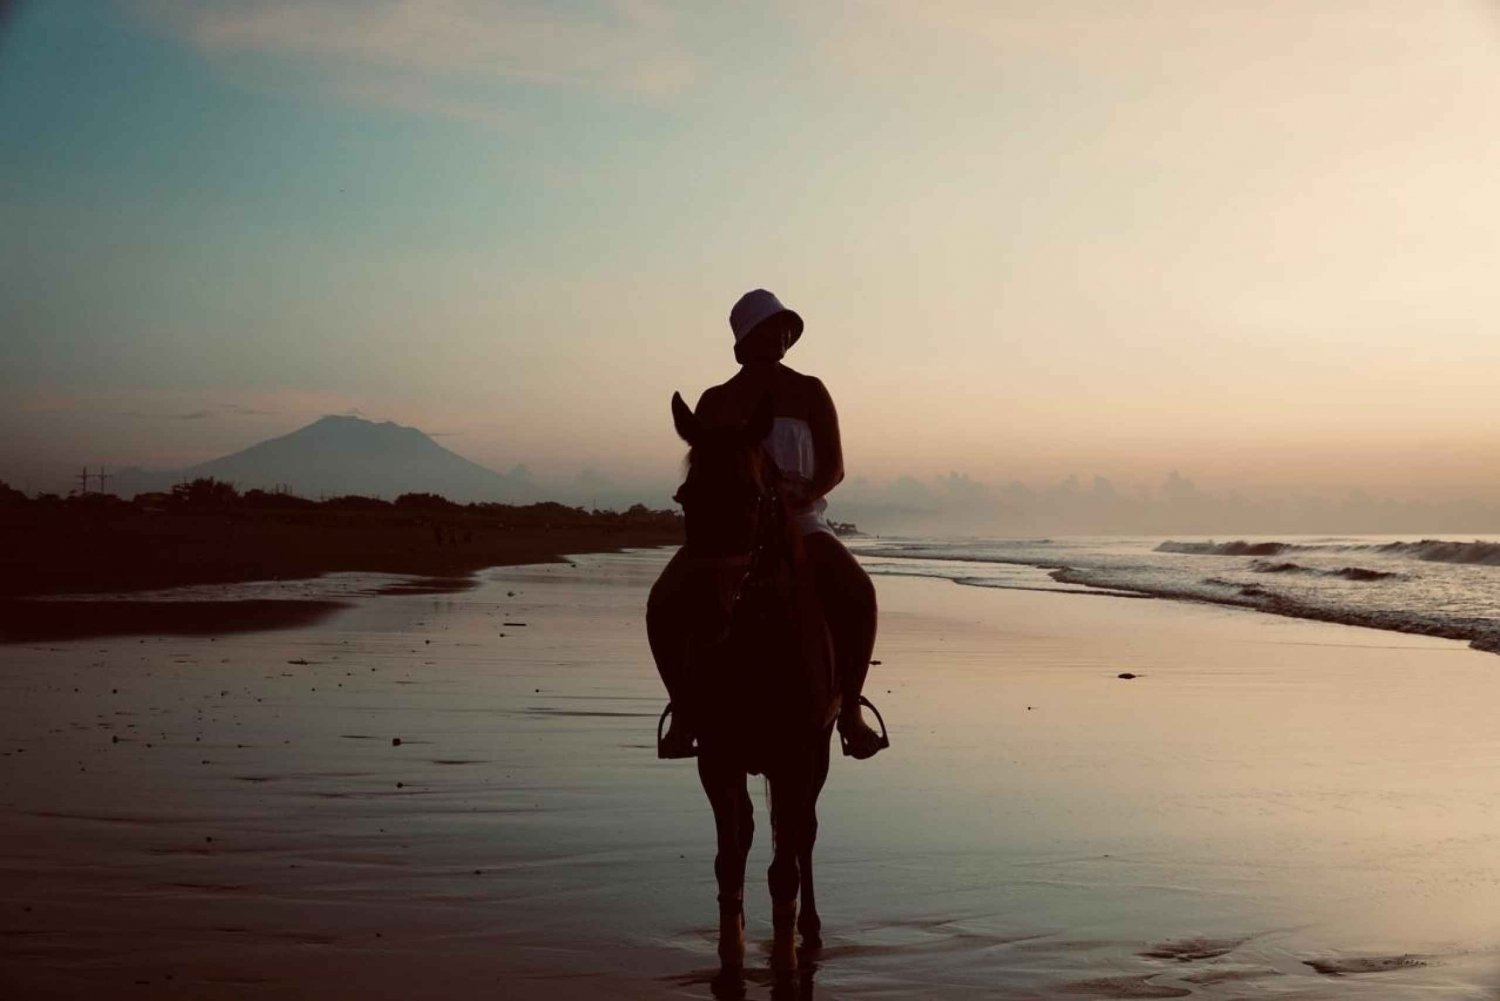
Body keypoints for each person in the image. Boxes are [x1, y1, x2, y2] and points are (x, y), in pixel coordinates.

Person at [648, 289, 885, 759]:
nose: (779, 335)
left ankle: (850, 712)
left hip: (802, 523)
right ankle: (685, 712)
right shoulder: (716, 400)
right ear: (746, 339)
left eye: (783, 328)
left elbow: (834, 467)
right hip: (732, 528)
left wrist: (805, 491)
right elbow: (704, 467)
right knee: (663, 603)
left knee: (858, 592)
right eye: (769, 328)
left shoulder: (811, 391)